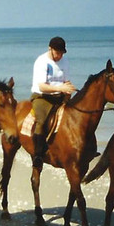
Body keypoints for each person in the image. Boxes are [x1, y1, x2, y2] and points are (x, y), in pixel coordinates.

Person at [30, 36, 77, 168]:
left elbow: (66, 80)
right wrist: (60, 88)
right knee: (42, 121)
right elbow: (42, 86)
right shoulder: (42, 62)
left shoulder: (65, 61)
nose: (59, 56)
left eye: (62, 53)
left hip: (60, 95)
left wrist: (69, 89)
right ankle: (38, 155)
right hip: (42, 96)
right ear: (50, 49)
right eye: (57, 53)